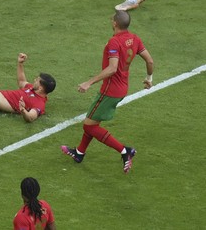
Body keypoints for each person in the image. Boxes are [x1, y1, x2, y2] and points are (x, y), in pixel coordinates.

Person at [61, 10, 154, 173]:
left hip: (110, 90)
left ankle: (125, 151)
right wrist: (149, 79)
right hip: (122, 88)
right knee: (92, 121)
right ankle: (79, 152)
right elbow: (150, 60)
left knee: (89, 126)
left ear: (115, 23)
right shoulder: (135, 39)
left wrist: (89, 82)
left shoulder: (114, 42)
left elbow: (112, 68)